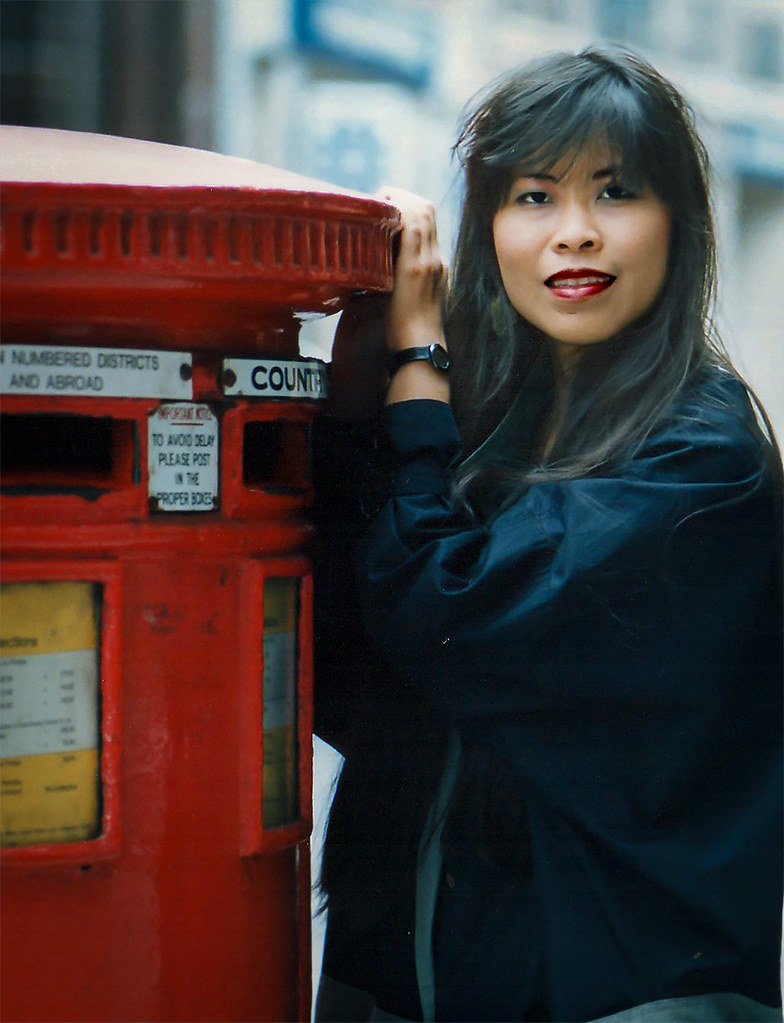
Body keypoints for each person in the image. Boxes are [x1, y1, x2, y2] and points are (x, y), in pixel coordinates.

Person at [311, 46, 783, 1023]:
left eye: (615, 192)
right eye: (533, 197)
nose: (575, 235)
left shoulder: (702, 458)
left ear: (678, 225)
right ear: (486, 228)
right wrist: (355, 408)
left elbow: (445, 614)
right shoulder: (482, 430)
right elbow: (338, 678)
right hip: (403, 978)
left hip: (614, 992)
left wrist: (416, 371)